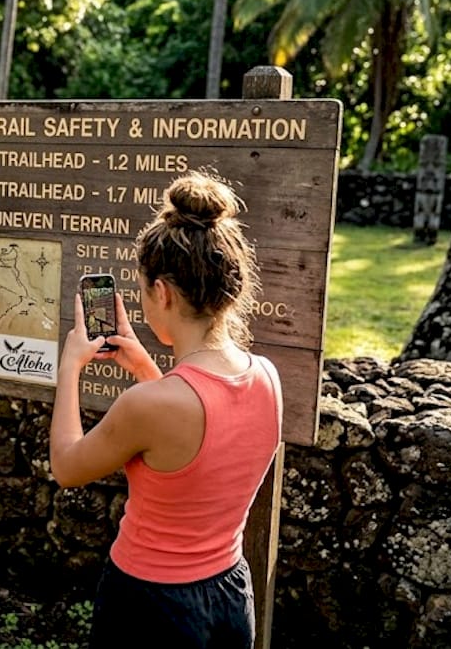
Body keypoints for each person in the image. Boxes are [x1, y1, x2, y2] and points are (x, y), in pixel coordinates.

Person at [50, 171, 282, 649]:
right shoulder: (266, 376)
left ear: (163, 293)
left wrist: (69, 369)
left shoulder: (151, 405)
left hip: (149, 604)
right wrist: (142, 364)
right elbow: (196, 437)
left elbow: (67, 466)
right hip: (231, 594)